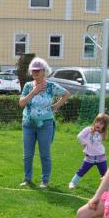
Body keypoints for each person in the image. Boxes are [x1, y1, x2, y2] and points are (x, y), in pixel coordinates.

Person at [18, 57, 70, 188]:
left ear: (44, 71)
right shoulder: (28, 86)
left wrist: (55, 106)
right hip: (28, 124)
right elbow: (21, 103)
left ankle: (45, 181)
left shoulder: (51, 86)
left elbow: (67, 94)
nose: (35, 73)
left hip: (45, 124)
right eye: (33, 71)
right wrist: (33, 92)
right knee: (27, 155)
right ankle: (27, 179)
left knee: (45, 154)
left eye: (37, 71)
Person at [69, 113, 109, 189]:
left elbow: (99, 143)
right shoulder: (88, 129)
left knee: (105, 173)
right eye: (97, 122)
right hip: (89, 157)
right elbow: (79, 136)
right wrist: (85, 144)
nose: (98, 124)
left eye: (101, 123)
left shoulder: (103, 133)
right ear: (95, 121)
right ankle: (73, 182)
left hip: (101, 156)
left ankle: (107, 187)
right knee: (82, 170)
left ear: (105, 126)